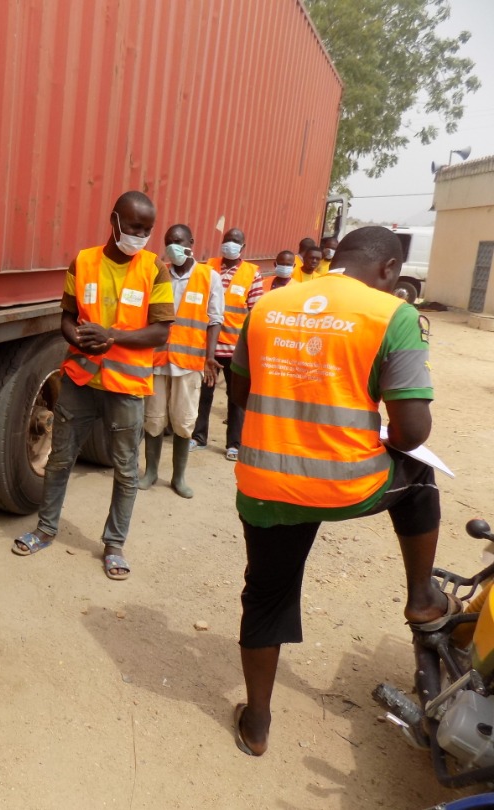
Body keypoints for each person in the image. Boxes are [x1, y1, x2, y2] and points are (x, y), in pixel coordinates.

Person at [228, 225, 452, 758]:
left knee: (266, 596)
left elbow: (239, 389)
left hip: (266, 483)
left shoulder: (269, 303)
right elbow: (412, 433)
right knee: (420, 478)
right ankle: (421, 599)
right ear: (389, 270)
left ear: (335, 259)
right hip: (346, 485)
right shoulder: (389, 315)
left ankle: (256, 724)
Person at [12, 191, 173, 580]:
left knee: (125, 470)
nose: (140, 235)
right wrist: (76, 338)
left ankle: (114, 545)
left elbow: (161, 332)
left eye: (147, 229)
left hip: (127, 386)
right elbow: (67, 317)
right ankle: (45, 530)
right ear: (114, 221)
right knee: (60, 458)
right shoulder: (82, 262)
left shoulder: (155, 270)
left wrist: (113, 337)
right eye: (134, 226)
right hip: (81, 378)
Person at [138, 223, 222, 498]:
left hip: (189, 363)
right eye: (168, 242)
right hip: (158, 359)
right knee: (153, 419)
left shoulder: (209, 277)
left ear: (191, 242)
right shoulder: (157, 272)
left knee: (184, 421)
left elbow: (214, 319)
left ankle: (179, 477)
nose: (172, 246)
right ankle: (151, 472)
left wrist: (210, 356)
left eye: (178, 241)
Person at [191, 227, 263, 460]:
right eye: (227, 240)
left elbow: (256, 313)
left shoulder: (253, 273)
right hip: (209, 345)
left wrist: (251, 349)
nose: (230, 244)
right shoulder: (207, 266)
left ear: (243, 248)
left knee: (236, 397)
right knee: (203, 394)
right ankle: (198, 437)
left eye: (236, 242)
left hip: (235, 349)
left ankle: (235, 444)